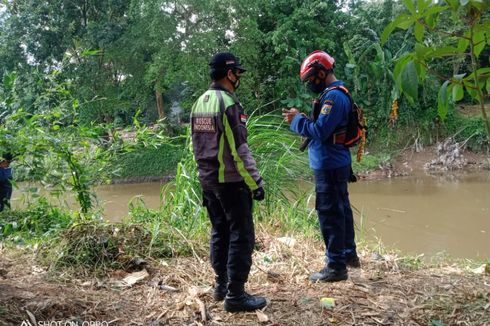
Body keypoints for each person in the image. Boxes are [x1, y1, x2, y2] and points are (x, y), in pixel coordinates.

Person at [190, 52, 267, 312]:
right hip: (231, 183)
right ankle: (235, 295)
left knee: (219, 232)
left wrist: (204, 179)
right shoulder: (228, 104)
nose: (239, 78)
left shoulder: (199, 102)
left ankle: (221, 285)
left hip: (208, 181)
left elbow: (196, 147)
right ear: (229, 73)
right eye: (238, 73)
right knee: (241, 236)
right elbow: (239, 149)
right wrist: (255, 182)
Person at [282, 50, 360, 282]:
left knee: (330, 213)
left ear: (322, 72)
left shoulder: (333, 98)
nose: (309, 84)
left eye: (311, 79)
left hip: (330, 165)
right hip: (334, 163)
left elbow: (320, 131)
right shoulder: (333, 95)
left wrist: (297, 120)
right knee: (341, 210)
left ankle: (335, 266)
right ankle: (348, 256)